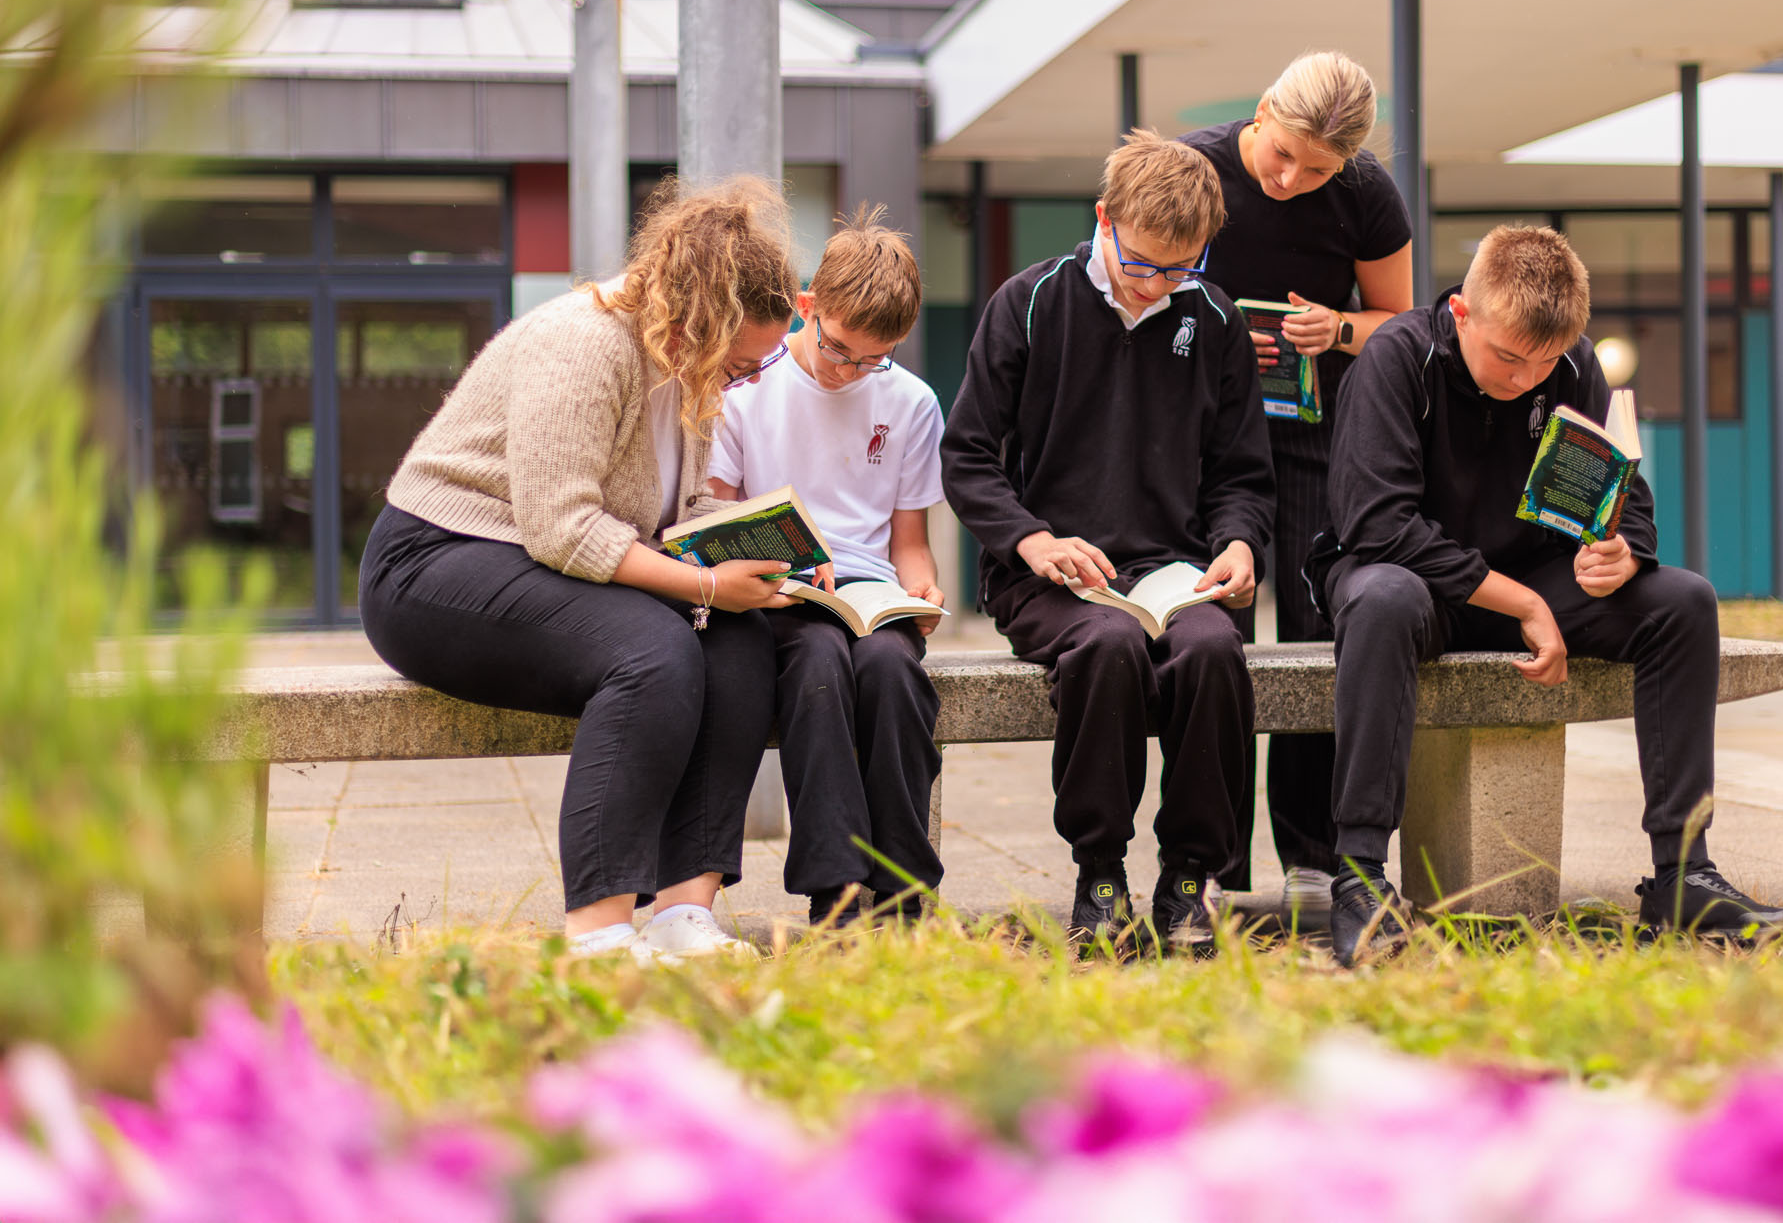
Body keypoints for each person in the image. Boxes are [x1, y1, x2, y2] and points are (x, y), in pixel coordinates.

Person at [1306, 224, 1783, 965]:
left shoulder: (1570, 365)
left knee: (1684, 602)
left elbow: (1624, 497)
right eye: (1507, 358)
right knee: (1382, 598)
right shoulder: (1396, 357)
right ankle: (1358, 876)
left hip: (1531, 575)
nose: (1523, 380)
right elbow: (1375, 524)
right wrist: (1524, 604)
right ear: (1463, 314)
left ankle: (1683, 874)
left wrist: (1622, 552)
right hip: (1407, 580)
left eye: (1542, 364)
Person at [358, 178, 804, 966]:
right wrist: (704, 585)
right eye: (740, 362)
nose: (743, 381)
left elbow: (678, 511)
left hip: (536, 559)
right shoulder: (586, 341)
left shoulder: (691, 372)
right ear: (699, 324)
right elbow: (561, 527)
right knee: (652, 653)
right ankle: (598, 931)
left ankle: (682, 915)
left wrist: (766, 555)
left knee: (741, 641)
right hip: (434, 561)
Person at [941, 130, 1275, 953]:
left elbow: (1241, 471)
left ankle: (1191, 878)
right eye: (1141, 264)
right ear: (1103, 219)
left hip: (1176, 571)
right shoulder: (1028, 303)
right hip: (1053, 575)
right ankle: (1100, 872)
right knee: (1111, 646)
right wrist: (1031, 541)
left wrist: (1238, 544)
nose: (1158, 284)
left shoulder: (1217, 319)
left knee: (1212, 654)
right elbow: (969, 457)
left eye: (1181, 268)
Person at [1179, 50, 1413, 922]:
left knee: (1321, 637)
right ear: (1263, 108)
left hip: (1322, 436)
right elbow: (1126, 294)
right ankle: (1209, 860)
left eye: (1316, 171)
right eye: (1282, 155)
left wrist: (1339, 326)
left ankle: (1314, 858)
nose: (1290, 180)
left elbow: (1400, 321)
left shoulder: (1364, 195)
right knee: (1213, 643)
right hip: (1205, 442)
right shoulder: (1191, 167)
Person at [709, 207, 947, 927]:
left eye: (877, 358)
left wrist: (922, 587)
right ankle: (836, 895)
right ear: (808, 308)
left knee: (891, 671)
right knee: (816, 665)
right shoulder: (748, 386)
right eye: (841, 348)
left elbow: (908, 539)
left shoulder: (909, 402)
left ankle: (905, 887)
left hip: (870, 591)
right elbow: (712, 517)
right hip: (777, 593)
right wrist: (772, 571)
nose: (853, 371)